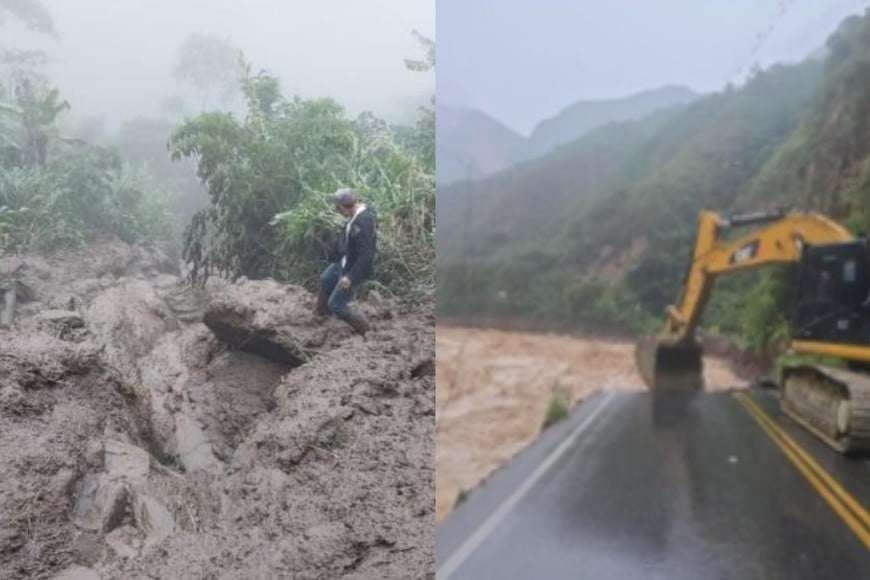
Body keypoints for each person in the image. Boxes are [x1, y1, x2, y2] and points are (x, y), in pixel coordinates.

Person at [314, 188, 377, 335]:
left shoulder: (363, 222)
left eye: (338, 208)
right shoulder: (354, 215)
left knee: (335, 304)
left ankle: (366, 329)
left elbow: (366, 256)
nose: (338, 212)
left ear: (343, 207)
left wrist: (350, 277)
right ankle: (321, 315)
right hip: (344, 261)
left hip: (355, 269)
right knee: (326, 279)